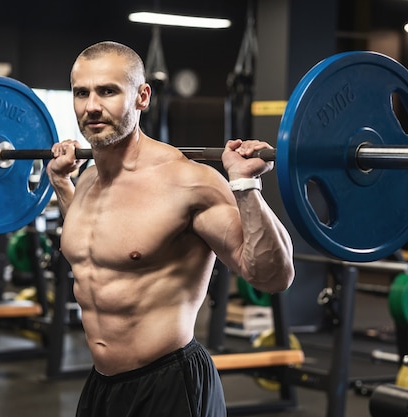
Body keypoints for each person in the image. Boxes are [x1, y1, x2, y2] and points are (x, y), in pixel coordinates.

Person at [46, 40, 295, 417]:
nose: (92, 106)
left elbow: (272, 276)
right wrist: (63, 186)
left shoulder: (188, 182)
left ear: (142, 97)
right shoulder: (85, 182)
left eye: (108, 91)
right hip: (101, 384)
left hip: (170, 384)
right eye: (82, 93)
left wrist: (244, 186)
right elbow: (100, 245)